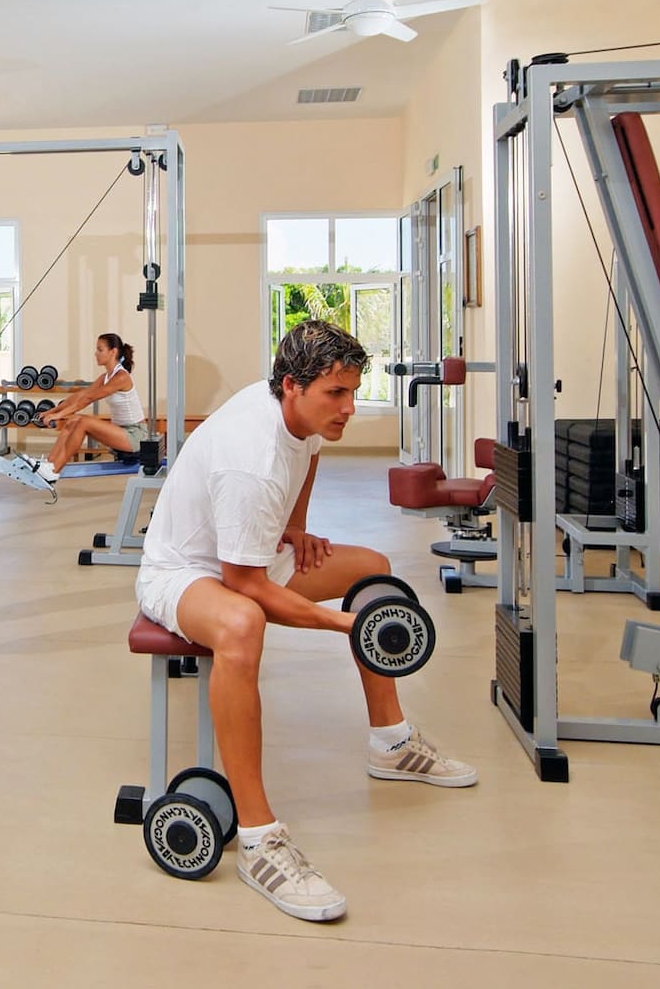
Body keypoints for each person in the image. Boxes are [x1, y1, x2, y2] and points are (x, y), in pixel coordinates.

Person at [135, 321, 477, 923]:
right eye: (335, 395)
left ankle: (391, 742)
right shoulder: (252, 459)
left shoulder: (303, 418)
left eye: (352, 392)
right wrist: (350, 629)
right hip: (184, 571)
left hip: (250, 551)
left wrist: (295, 525)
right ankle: (260, 837)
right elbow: (245, 587)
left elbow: (309, 460)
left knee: (373, 568)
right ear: (292, 386)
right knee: (242, 624)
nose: (348, 408)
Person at [30, 333, 147, 484]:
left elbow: (88, 399)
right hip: (121, 431)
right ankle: (48, 465)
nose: (96, 353)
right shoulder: (106, 377)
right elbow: (80, 395)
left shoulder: (121, 377)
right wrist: (51, 412)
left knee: (82, 421)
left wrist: (58, 416)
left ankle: (54, 471)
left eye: (100, 350)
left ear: (113, 352)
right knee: (73, 421)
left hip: (135, 435)